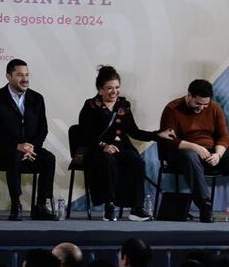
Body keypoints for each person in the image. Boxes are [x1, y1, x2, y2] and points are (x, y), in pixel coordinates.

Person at [79, 65, 173, 222]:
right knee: (107, 161)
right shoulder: (90, 106)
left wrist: (157, 135)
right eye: (109, 88)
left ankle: (136, 208)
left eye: (117, 87)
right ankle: (109, 206)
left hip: (121, 148)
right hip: (98, 149)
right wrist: (104, 146)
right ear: (100, 89)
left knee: (136, 161)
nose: (114, 92)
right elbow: (84, 135)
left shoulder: (124, 105)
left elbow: (134, 131)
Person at [0, 59, 58, 220]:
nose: (25, 79)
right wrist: (17, 146)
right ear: (8, 76)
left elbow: (42, 129)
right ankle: (16, 204)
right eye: (19, 75)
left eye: (27, 75)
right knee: (14, 156)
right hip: (3, 150)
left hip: (31, 149)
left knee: (48, 159)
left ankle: (41, 205)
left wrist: (31, 146)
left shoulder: (37, 99)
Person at [159, 78, 229, 223]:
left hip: (211, 152)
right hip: (182, 152)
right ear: (189, 95)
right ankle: (205, 206)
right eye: (198, 103)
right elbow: (169, 140)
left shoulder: (214, 108)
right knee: (190, 155)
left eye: (205, 104)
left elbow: (223, 136)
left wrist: (218, 154)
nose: (201, 108)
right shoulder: (172, 109)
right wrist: (195, 147)